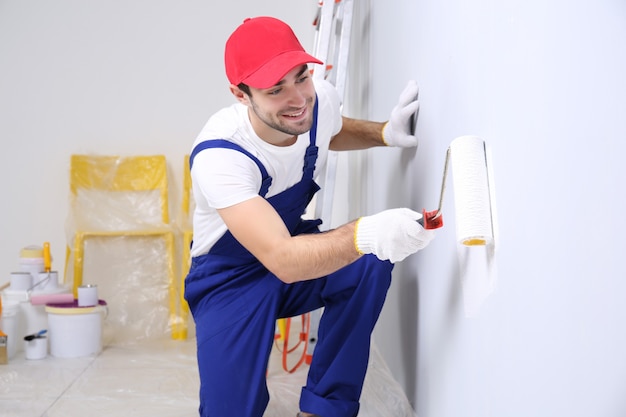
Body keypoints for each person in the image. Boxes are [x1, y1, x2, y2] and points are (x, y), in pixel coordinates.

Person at [185, 16, 435, 417]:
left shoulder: (319, 99)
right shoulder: (220, 156)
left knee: (368, 261)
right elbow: (283, 260)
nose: (298, 98)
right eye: (275, 90)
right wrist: (365, 231)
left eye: (300, 77)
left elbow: (326, 131)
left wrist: (383, 133)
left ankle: (324, 408)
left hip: (289, 248)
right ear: (241, 94)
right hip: (230, 278)